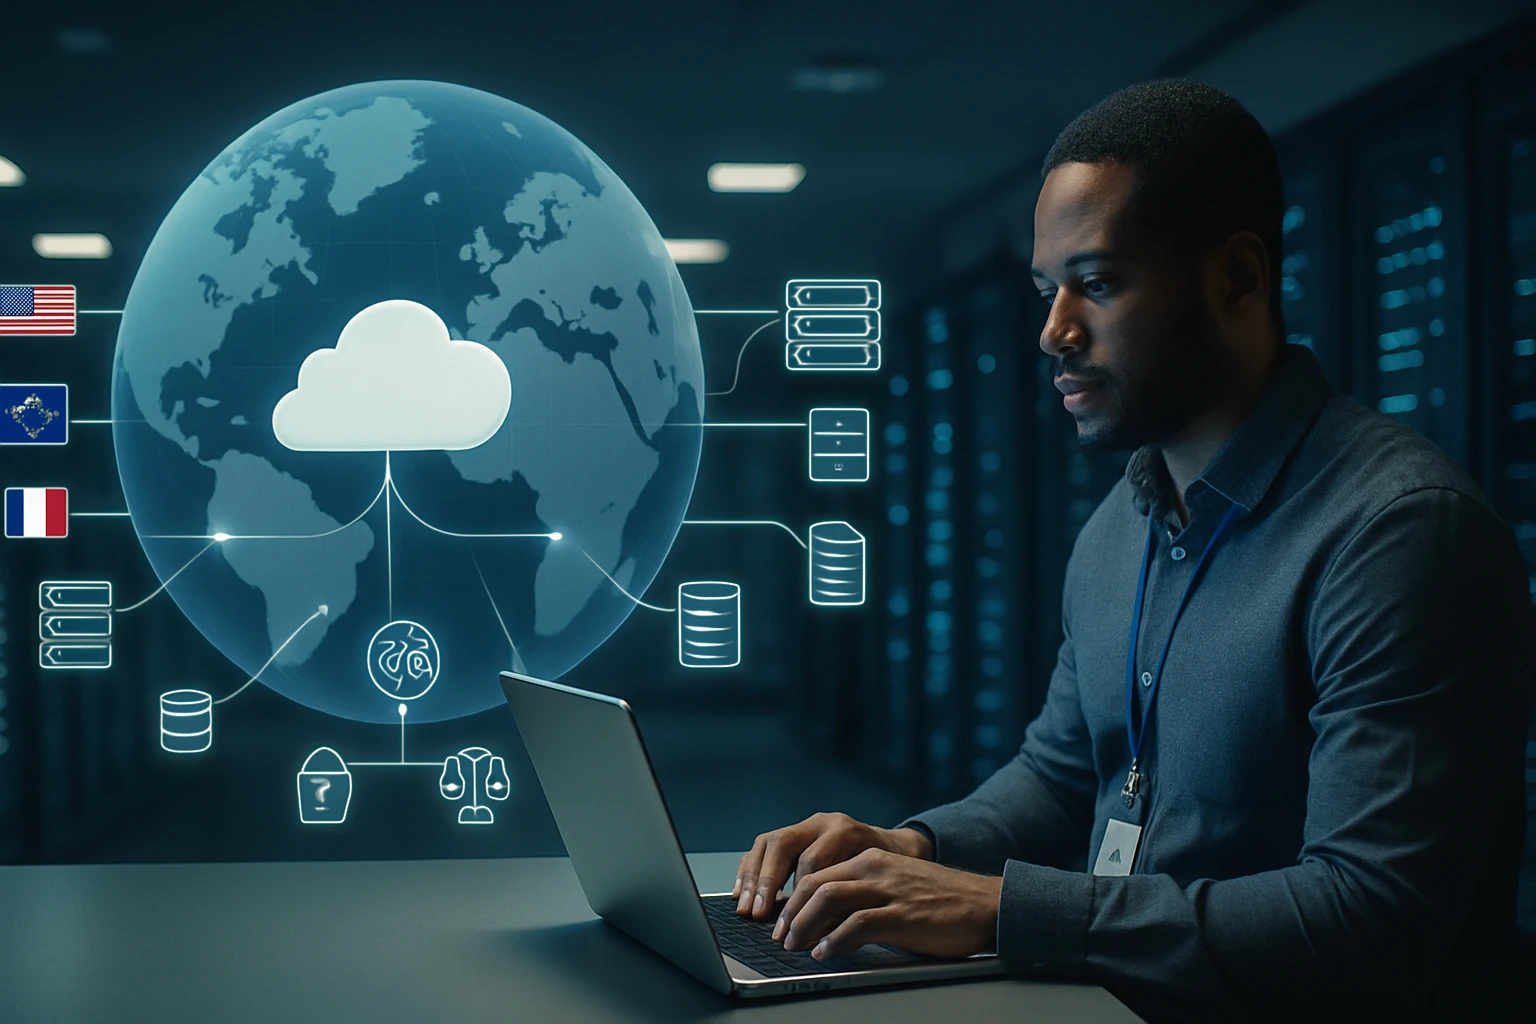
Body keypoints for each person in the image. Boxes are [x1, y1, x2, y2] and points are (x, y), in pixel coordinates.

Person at [733, 79, 1533, 1021]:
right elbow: (1061, 778)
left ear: (1238, 277)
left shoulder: (1397, 533)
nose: (1053, 333)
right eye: (1046, 291)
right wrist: (913, 849)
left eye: (1098, 284)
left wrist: (1004, 908)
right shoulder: (1122, 521)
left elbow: (1372, 918)